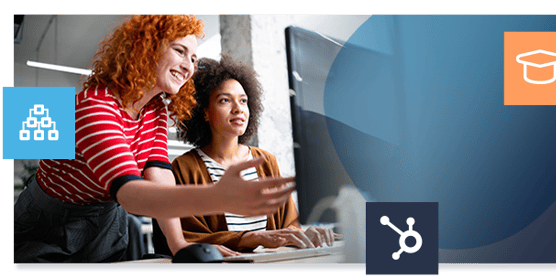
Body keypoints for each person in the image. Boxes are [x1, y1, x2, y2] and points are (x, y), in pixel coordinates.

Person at [13, 15, 295, 263]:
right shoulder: (95, 106)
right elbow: (132, 196)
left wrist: (180, 245)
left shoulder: (155, 109)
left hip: (106, 219)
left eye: (193, 59)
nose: (188, 66)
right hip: (48, 222)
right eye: (180, 51)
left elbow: (158, 176)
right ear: (147, 47)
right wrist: (215, 197)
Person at [170, 54, 339, 257]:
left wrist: (306, 234)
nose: (238, 109)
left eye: (243, 101)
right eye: (225, 100)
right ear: (204, 112)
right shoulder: (185, 167)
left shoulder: (266, 161)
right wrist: (248, 238)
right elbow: (186, 236)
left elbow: (288, 226)